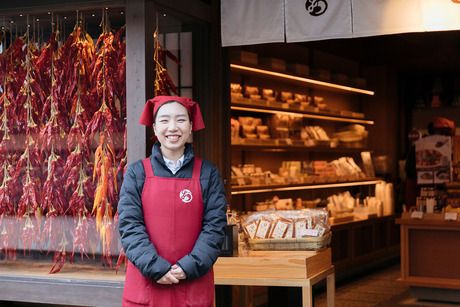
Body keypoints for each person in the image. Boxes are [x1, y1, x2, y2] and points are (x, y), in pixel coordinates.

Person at [118, 95, 227, 307]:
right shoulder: (136, 173)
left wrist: (189, 266)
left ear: (191, 126)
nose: (173, 127)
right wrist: (155, 267)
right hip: (147, 283)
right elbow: (129, 225)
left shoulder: (208, 173)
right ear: (155, 128)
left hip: (193, 282)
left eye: (180, 120)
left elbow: (215, 227)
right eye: (165, 120)